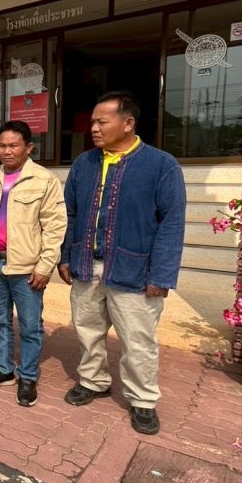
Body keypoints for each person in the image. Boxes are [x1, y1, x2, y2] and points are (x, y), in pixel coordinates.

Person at [58, 91, 186, 436]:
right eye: (92, 122)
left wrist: (162, 275)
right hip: (87, 265)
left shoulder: (160, 165)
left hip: (135, 270)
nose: (94, 128)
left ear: (128, 123)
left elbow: (172, 223)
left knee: (137, 340)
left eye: (102, 122)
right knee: (87, 331)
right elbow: (70, 214)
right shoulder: (84, 163)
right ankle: (93, 381)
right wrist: (66, 256)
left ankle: (143, 400)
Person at [0, 121, 67, 407]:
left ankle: (27, 376)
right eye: (2, 145)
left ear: (29, 148)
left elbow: (54, 227)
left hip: (27, 268)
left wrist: (45, 266)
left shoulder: (45, 180)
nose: (6, 151)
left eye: (13, 145)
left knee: (30, 325)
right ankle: (2, 369)